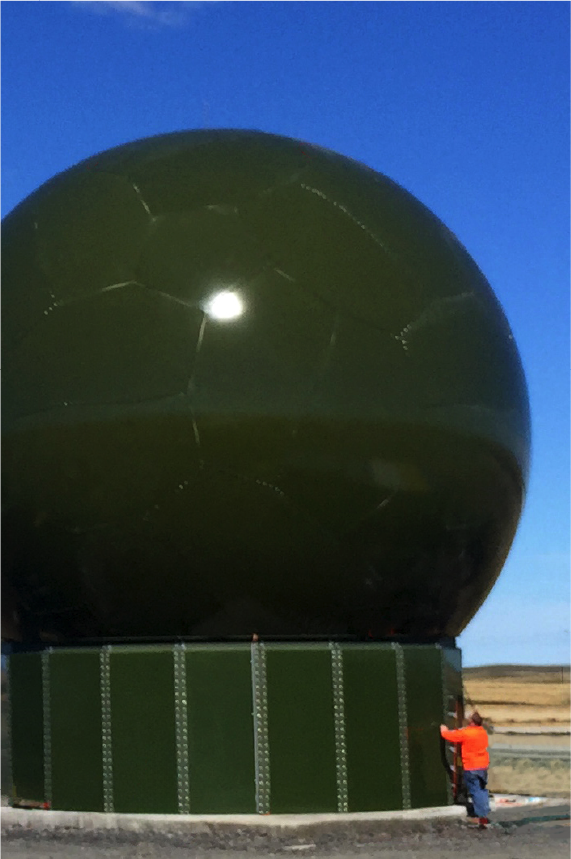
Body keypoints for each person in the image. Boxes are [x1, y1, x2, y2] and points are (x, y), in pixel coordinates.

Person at [440, 711, 490, 828]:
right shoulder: (482, 732)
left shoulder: (466, 733)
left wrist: (443, 730)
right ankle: (484, 815)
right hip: (482, 766)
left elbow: (449, 736)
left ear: (471, 722)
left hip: (471, 766)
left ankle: (480, 817)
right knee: (481, 791)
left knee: (475, 791)